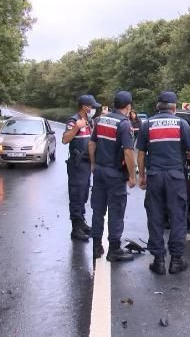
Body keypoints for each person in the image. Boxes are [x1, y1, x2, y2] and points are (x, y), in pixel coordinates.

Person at [137, 91, 190, 275]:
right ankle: (176, 261)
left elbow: (141, 154)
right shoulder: (181, 124)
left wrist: (142, 176)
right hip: (176, 178)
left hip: (155, 177)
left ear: (157, 107)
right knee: (178, 217)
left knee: (155, 217)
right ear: (174, 108)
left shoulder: (147, 124)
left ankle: (158, 262)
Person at [88, 91, 136, 262]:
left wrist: (93, 164)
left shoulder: (101, 120)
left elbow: (92, 144)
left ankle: (96, 247)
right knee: (116, 210)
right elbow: (128, 152)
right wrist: (132, 175)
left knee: (98, 209)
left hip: (99, 171)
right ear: (128, 107)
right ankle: (114, 249)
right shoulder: (124, 124)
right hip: (115, 174)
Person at [62, 95, 100, 241]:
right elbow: (65, 140)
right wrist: (76, 127)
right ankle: (75, 228)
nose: (94, 109)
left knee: (84, 194)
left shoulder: (89, 122)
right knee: (76, 195)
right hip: (77, 164)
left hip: (85, 164)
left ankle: (81, 222)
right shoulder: (74, 121)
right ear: (85, 107)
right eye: (92, 106)